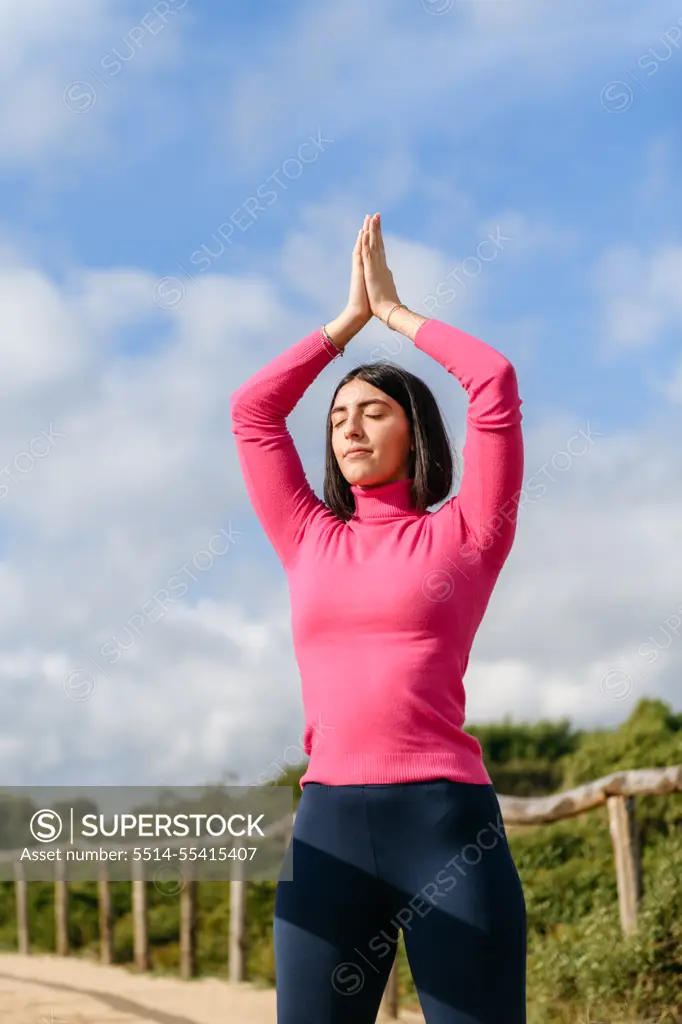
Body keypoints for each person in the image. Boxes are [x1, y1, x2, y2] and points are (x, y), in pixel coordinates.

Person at [230, 213, 527, 1023]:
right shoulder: (306, 535)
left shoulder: (468, 532)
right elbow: (253, 411)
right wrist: (343, 326)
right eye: (336, 417)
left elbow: (493, 382)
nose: (349, 426)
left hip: (447, 827)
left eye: (373, 411)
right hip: (327, 829)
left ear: (415, 429)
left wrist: (394, 315)